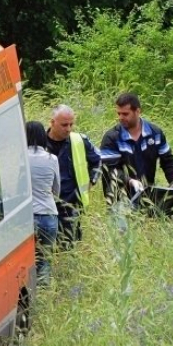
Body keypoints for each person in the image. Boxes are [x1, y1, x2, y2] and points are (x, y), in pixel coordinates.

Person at [100, 92, 173, 202]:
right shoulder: (111, 138)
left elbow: (168, 162)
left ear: (138, 111)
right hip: (119, 199)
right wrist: (130, 181)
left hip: (147, 196)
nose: (121, 117)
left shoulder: (155, 133)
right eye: (119, 114)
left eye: (125, 114)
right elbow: (109, 170)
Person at [46, 105, 101, 248]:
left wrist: (92, 181)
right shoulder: (39, 143)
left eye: (71, 124)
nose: (68, 128)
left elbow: (98, 161)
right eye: (64, 125)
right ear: (52, 122)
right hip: (46, 204)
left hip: (71, 202)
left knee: (69, 246)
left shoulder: (79, 141)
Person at [26, 121, 60, 285]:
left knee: (29, 260)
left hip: (28, 217)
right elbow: (56, 189)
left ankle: (31, 297)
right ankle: (44, 293)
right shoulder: (52, 158)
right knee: (45, 259)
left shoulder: (22, 157)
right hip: (49, 214)